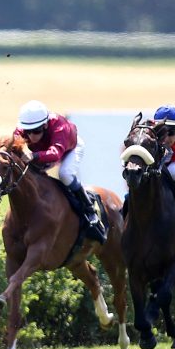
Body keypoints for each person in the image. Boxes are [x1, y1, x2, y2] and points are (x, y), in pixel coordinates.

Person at [14, 100, 104, 243]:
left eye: (36, 131)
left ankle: (90, 210)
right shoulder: (22, 128)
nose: (31, 137)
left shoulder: (59, 126)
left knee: (65, 174)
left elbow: (55, 154)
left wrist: (34, 156)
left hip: (69, 149)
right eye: (27, 132)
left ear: (45, 125)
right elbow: (15, 142)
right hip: (43, 151)